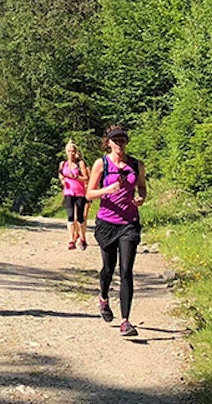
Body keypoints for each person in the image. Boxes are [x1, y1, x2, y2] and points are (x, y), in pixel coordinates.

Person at [86, 124, 146, 338]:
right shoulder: (101, 164)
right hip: (107, 223)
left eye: (122, 140)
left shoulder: (136, 164)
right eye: (115, 140)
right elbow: (89, 194)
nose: (119, 144)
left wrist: (141, 198)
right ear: (108, 143)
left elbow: (142, 187)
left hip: (129, 223)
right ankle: (103, 297)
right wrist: (107, 190)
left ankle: (125, 321)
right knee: (108, 269)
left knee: (126, 271)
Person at [59, 140, 90, 250]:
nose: (71, 153)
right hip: (68, 192)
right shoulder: (63, 164)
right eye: (69, 151)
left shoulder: (80, 163)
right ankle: (71, 240)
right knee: (70, 216)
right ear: (65, 152)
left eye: (73, 151)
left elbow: (86, 178)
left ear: (75, 152)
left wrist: (76, 177)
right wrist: (62, 179)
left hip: (80, 193)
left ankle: (82, 238)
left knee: (80, 217)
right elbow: (60, 173)